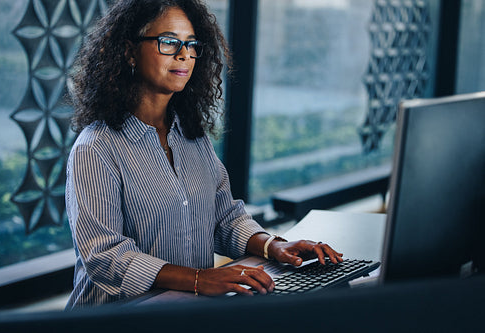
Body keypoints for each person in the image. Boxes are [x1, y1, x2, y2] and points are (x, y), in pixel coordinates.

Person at [65, 0, 343, 309]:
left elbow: (226, 219)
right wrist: (199, 279)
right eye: (169, 42)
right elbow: (106, 258)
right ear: (130, 51)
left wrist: (275, 246)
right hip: (114, 319)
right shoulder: (95, 149)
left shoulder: (191, 136)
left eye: (191, 44)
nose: (184, 54)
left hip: (187, 312)